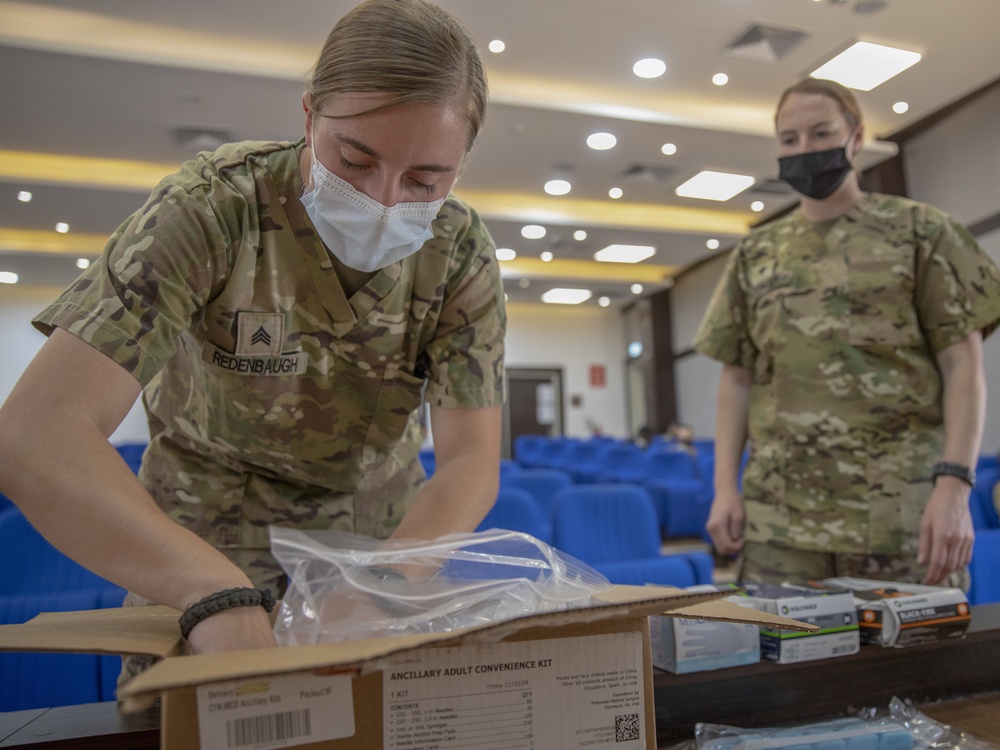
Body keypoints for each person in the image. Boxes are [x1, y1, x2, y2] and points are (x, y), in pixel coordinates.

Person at [0, 0, 505, 666]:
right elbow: (36, 433)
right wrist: (210, 592)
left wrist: (383, 581)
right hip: (196, 552)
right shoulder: (214, 211)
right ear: (309, 115)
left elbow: (471, 460)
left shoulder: (458, 250)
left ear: (460, 168)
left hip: (378, 557)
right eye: (354, 161)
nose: (384, 200)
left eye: (424, 179)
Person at [695, 78, 1000, 588]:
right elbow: (738, 380)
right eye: (789, 140)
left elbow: (962, 365)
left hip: (902, 514)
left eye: (820, 133)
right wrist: (724, 487)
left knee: (920, 666)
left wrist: (955, 487)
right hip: (781, 522)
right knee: (782, 665)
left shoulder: (922, 232)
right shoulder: (755, 254)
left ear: (855, 138)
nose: (805, 149)